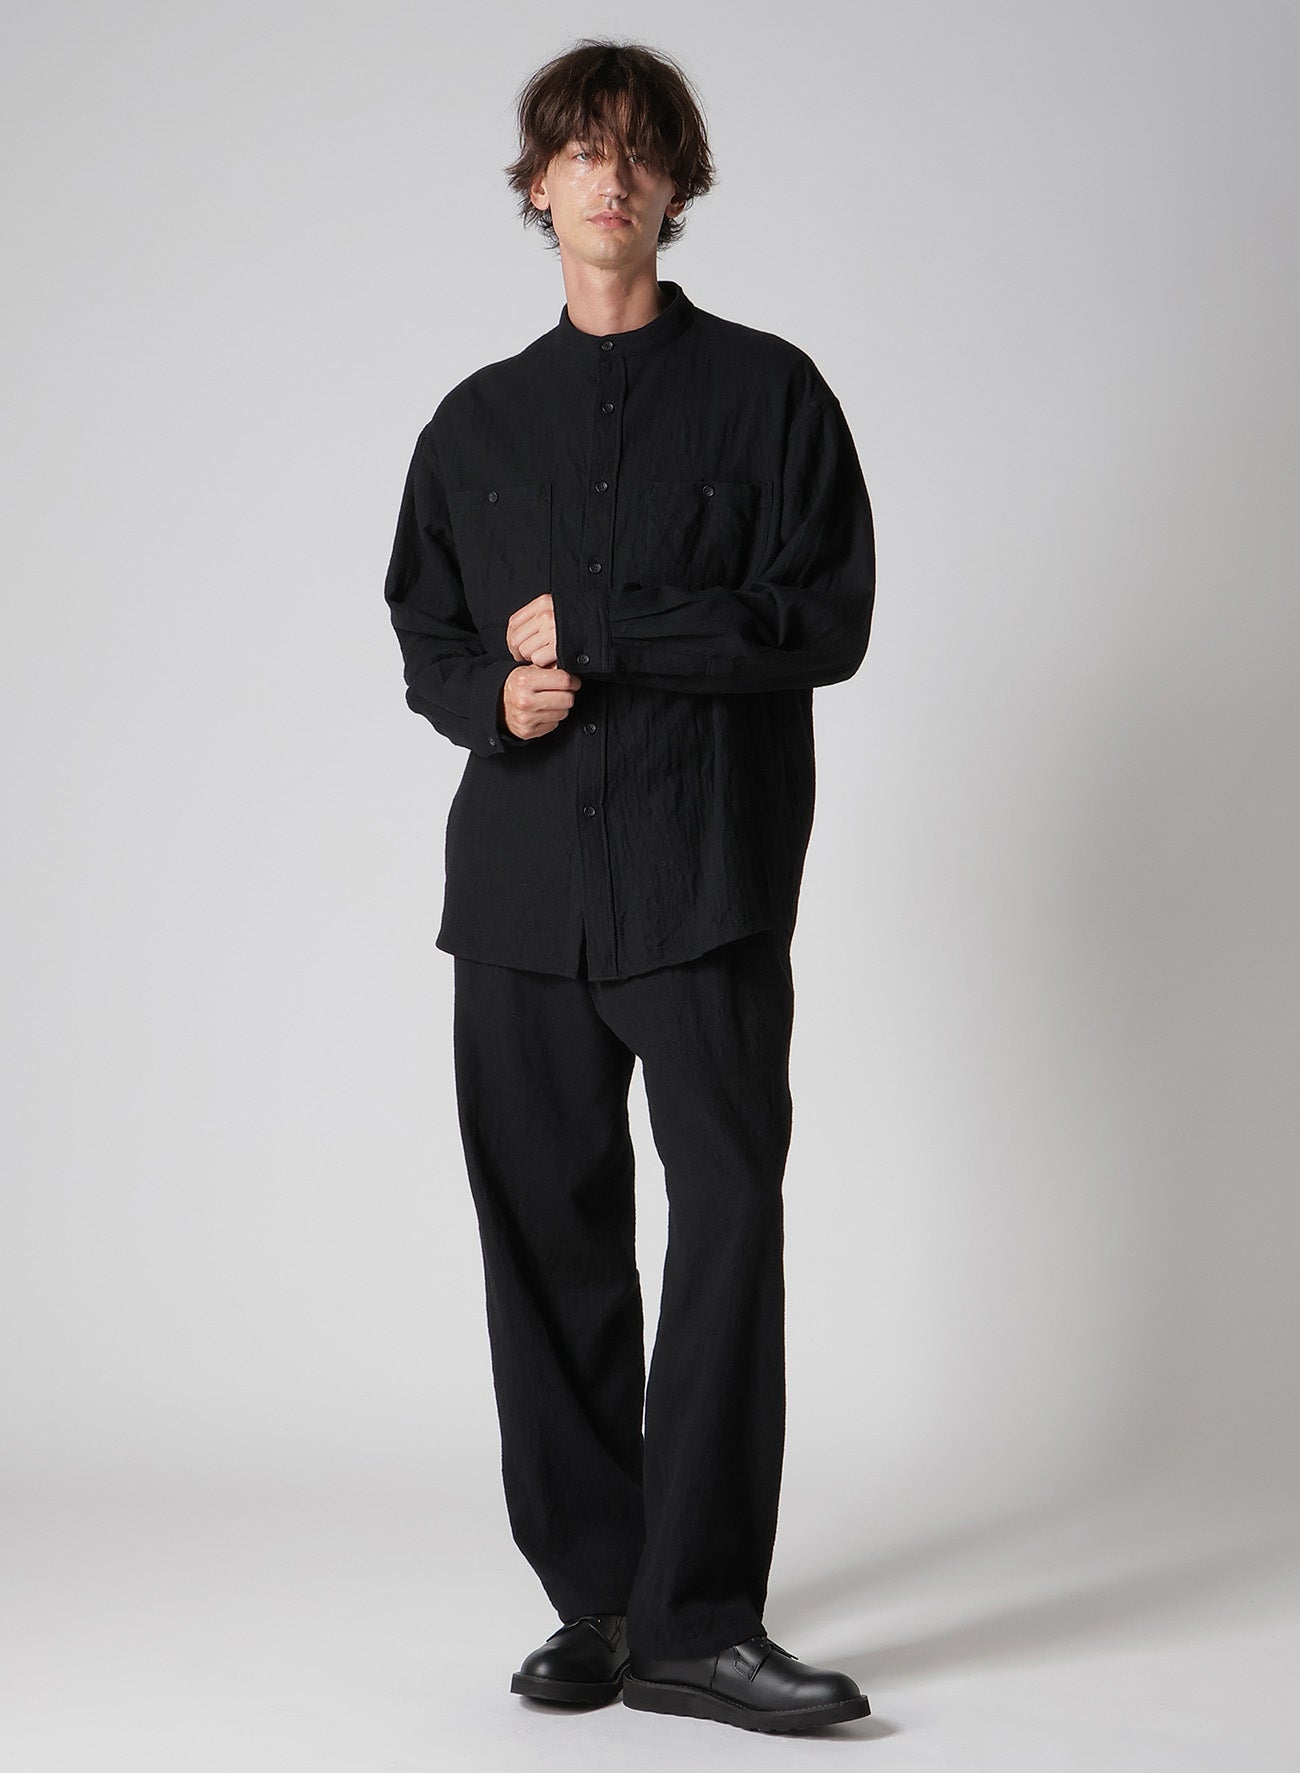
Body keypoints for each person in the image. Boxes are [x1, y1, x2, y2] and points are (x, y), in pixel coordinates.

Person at [382, 38, 876, 1735]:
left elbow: (822, 622)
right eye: (581, 151)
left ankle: (701, 1616)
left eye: (639, 149)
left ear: (678, 185)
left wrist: (605, 629)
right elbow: (427, 628)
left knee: (727, 1221)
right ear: (541, 187)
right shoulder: (474, 424)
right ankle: (601, 1598)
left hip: (702, 880)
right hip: (519, 895)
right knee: (548, 1242)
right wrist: (487, 696)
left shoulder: (772, 397)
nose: (612, 175)